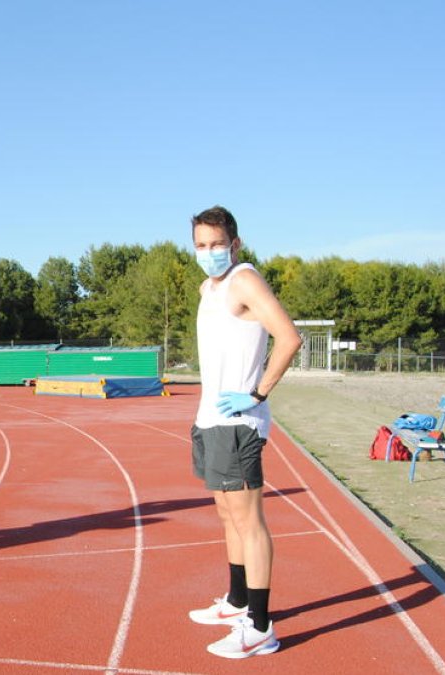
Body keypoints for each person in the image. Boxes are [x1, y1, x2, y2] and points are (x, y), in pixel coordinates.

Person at [187, 206, 302, 658]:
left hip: (238, 422)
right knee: (227, 515)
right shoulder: (207, 286)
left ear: (235, 244)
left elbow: (288, 337)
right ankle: (237, 601)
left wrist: (255, 394)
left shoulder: (245, 280)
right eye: (200, 245)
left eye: (217, 244)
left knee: (249, 521)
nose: (209, 253)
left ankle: (259, 628)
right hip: (211, 418)